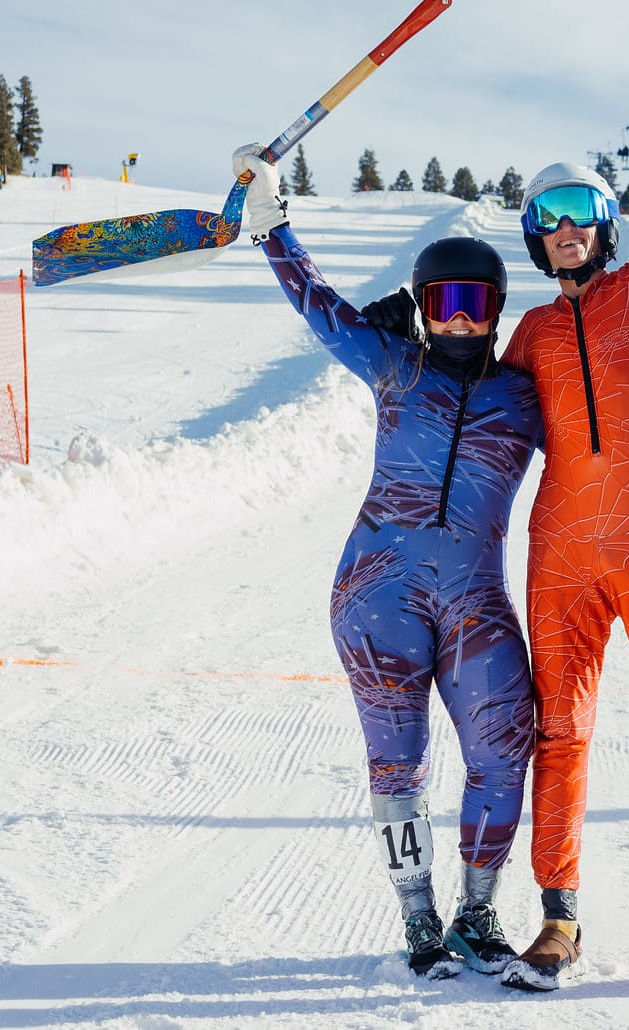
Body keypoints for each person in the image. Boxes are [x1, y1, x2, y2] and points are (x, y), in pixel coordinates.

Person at [366, 0, 629, 1002]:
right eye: (543, 220)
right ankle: (557, 919)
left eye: (576, 215)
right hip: (562, 552)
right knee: (562, 732)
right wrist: (394, 327)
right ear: (531, 237)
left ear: (602, 221)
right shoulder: (530, 338)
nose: (561, 231)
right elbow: (454, 387)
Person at [233, 139, 546, 981]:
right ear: (420, 305)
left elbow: (601, 431)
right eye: (440, 302)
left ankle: (479, 911)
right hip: (378, 595)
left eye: (474, 303)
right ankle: (420, 919)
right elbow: (320, 309)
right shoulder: (396, 367)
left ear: (497, 309)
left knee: (505, 738)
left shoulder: (525, 396)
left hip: (475, 597)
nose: (456, 321)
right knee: (396, 758)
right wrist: (271, 222)